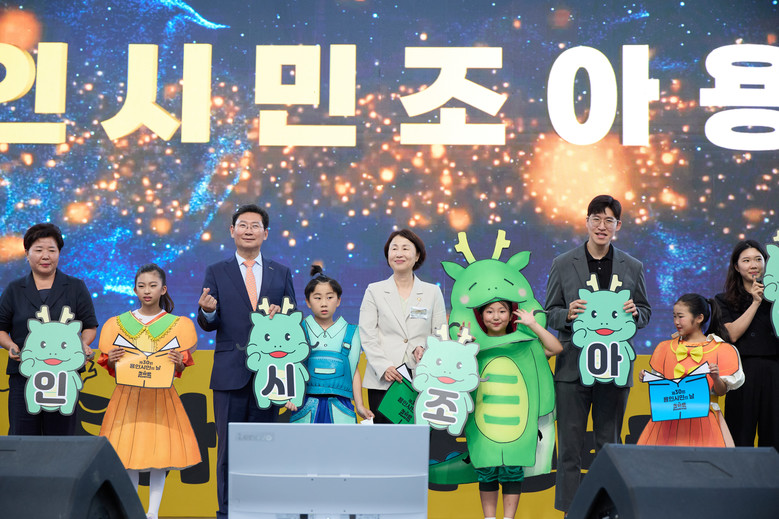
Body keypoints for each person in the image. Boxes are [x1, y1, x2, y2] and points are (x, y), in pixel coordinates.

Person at [544, 195, 651, 513]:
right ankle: (571, 511)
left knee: (609, 447)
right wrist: (567, 314)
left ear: (618, 225)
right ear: (587, 221)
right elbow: (548, 312)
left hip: (615, 369)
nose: (602, 226)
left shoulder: (633, 266)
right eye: (596, 219)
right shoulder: (563, 263)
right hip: (572, 369)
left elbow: (645, 312)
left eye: (609, 220)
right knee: (569, 449)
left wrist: (635, 313)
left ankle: (607, 511)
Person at [197, 203, 295, 519]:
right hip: (230, 373)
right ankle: (227, 513)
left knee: (265, 447)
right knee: (228, 449)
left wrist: (285, 315)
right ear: (232, 231)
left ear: (265, 233)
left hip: (271, 375)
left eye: (255, 226)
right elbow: (208, 322)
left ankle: (261, 510)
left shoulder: (281, 272)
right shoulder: (217, 270)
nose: (248, 230)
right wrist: (208, 310)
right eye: (243, 225)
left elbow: (293, 319)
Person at [98, 264, 201, 519]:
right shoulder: (117, 324)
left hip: (160, 397)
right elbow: (109, 364)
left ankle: (153, 512)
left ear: (163, 289)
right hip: (128, 397)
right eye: (142, 286)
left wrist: (178, 362)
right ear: (134, 289)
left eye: (153, 286)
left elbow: (181, 366)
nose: (147, 291)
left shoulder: (177, 325)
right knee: (128, 453)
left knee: (159, 453)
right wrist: (112, 359)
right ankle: (133, 511)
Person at [0, 223, 98, 435]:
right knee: (22, 438)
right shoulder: (14, 289)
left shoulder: (75, 287)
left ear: (59, 253)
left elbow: (90, 326)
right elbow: (1, 328)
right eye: (38, 250)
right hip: (23, 375)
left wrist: (82, 344)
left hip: (64, 377)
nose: (45, 256)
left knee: (60, 441)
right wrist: (10, 345)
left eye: (52, 250)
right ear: (27, 253)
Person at [471, 301, 562, 519]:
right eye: (490, 311)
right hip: (483, 417)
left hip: (517, 419)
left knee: (512, 469)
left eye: (502, 311)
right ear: (481, 315)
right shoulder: (473, 346)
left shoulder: (525, 345)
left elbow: (555, 348)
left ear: (511, 315)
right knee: (486, 469)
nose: (496, 317)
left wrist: (533, 325)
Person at [359, 228, 446, 423]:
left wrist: (426, 349)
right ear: (388, 255)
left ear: (417, 256)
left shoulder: (432, 292)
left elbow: (440, 334)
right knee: (386, 437)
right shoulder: (374, 291)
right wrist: (384, 367)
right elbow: (367, 334)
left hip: (421, 377)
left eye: (405, 248)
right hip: (384, 379)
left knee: (419, 435)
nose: (399, 254)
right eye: (394, 249)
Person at [637, 293, 744, 446]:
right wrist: (649, 378)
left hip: (706, 422)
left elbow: (721, 391)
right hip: (670, 421)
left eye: (681, 316)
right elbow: (663, 389)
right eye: (674, 316)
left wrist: (715, 378)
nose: (676, 321)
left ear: (699, 318)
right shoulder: (665, 348)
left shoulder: (721, 350)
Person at [286, 265, 374, 423]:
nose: (324, 303)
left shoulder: (352, 332)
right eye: (317, 298)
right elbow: (290, 367)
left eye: (330, 297)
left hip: (342, 406)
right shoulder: (298, 330)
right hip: (303, 405)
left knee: (342, 440)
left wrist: (360, 405)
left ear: (338, 300)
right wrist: (289, 396)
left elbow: (353, 371)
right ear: (307, 302)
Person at [714, 240, 779, 451]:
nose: (753, 265)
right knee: (740, 435)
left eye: (758, 259)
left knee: (774, 435)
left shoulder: (775, 297)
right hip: (741, 373)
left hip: (775, 370)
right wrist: (755, 302)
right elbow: (731, 334)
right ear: (736, 266)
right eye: (747, 260)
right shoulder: (724, 300)